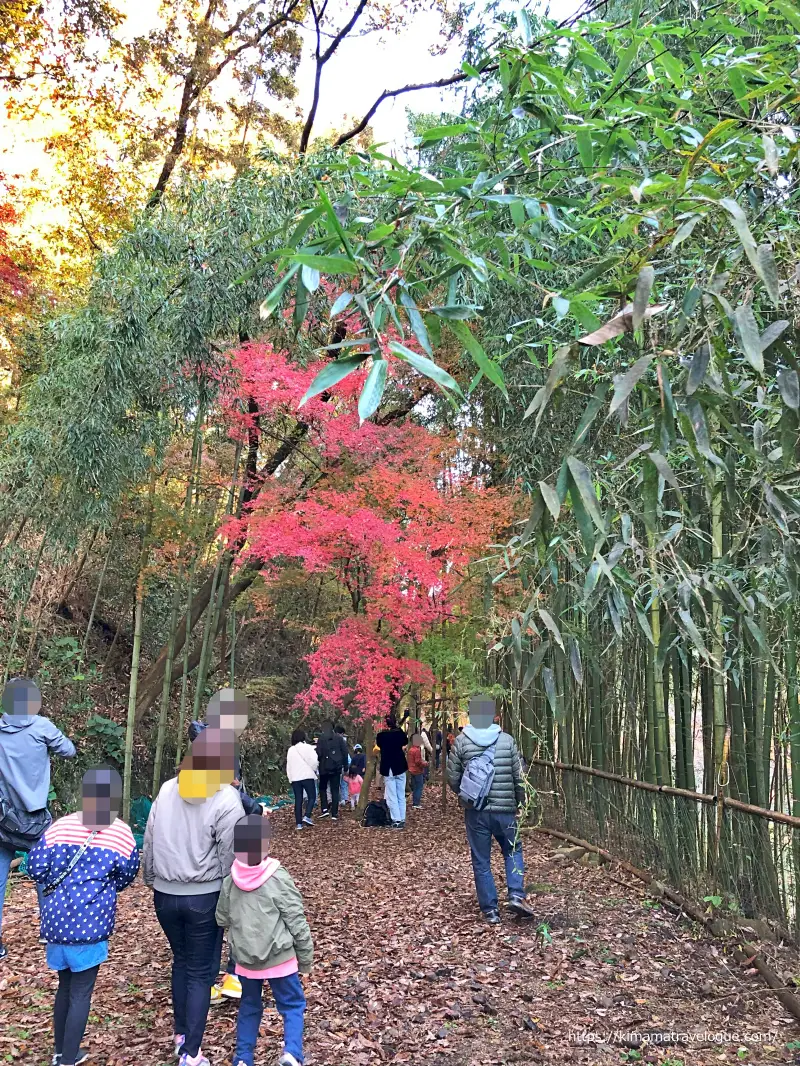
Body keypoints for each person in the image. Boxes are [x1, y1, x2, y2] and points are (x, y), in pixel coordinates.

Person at [143, 727, 244, 1066]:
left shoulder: (166, 789)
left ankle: (182, 1035)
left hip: (165, 896)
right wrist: (233, 899)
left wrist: (151, 879)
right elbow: (231, 856)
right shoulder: (226, 798)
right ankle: (191, 1053)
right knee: (201, 972)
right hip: (204, 896)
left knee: (182, 962)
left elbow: (150, 840)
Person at [28, 767, 139, 1066]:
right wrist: (102, 889)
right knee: (81, 992)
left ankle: (59, 1052)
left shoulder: (60, 827)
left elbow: (35, 867)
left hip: (56, 923)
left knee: (65, 987)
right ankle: (68, 1059)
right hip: (92, 924)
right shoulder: (121, 832)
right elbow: (127, 875)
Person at [216, 814, 312, 1066]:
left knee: (249, 1006)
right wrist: (305, 957)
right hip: (279, 956)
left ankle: (243, 1058)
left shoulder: (230, 882)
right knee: (292, 1004)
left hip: (245, 959)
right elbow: (296, 919)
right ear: (266, 845)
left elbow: (221, 918)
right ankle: (292, 1053)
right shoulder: (278, 877)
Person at [0, 677, 76, 960]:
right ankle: (49, 929)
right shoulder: (42, 726)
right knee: (46, 874)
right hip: (35, 819)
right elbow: (69, 750)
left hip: (2, 819)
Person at [447, 695, 535, 925]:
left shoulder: (462, 742)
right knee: (513, 850)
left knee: (481, 859)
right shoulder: (507, 741)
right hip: (506, 810)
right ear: (494, 716)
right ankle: (516, 894)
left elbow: (452, 777)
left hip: (476, 811)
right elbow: (519, 777)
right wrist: (521, 802)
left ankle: (491, 911)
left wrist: (466, 796)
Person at [375, 713, 408, 829]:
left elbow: (378, 744)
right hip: (400, 766)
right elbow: (405, 740)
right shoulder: (399, 734)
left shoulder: (381, 736)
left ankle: (396, 819)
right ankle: (402, 818)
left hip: (388, 767)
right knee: (400, 793)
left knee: (392, 794)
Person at [286, 729, 318, 831]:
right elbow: (314, 761)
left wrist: (290, 778)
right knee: (312, 796)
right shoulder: (308, 748)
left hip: (295, 778)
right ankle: (307, 815)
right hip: (307, 776)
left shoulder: (291, 750)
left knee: (298, 800)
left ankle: (298, 824)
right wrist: (314, 770)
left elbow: (288, 766)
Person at [315, 721, 348, 822]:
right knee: (335, 790)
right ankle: (334, 812)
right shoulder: (339, 739)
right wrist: (345, 766)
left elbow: (318, 754)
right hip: (336, 768)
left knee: (323, 788)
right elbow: (344, 752)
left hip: (324, 768)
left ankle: (324, 809)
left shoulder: (321, 739)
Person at [407, 734, 427, 810]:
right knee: (419, 787)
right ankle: (416, 803)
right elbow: (418, 762)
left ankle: (415, 802)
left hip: (412, 770)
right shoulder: (416, 750)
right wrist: (425, 764)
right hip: (417, 771)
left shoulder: (410, 750)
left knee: (415, 787)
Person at [334, 724, 350, 808]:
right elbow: (345, 754)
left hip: (338, 766)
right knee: (343, 783)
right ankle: (344, 798)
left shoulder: (332, 740)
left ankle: (342, 799)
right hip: (343, 765)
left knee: (340, 783)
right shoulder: (342, 741)